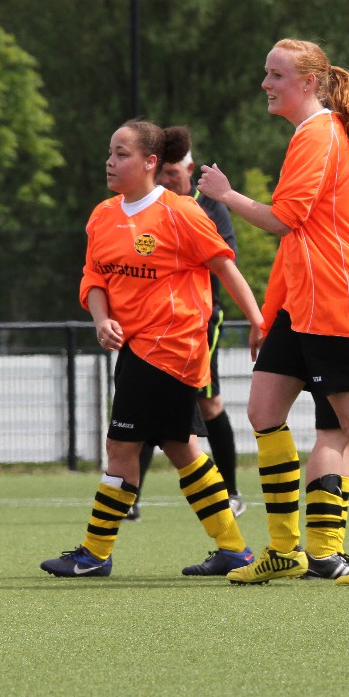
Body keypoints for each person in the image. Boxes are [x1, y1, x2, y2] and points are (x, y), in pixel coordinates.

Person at [197, 37, 349, 587]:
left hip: (335, 302)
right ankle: (285, 550)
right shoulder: (331, 133)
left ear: (309, 83)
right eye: (266, 73)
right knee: (263, 410)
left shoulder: (319, 134)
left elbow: (283, 220)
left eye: (276, 75)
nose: (265, 84)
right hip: (303, 305)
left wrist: (225, 194)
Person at [39, 119, 265, 579]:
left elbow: (225, 267)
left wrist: (259, 322)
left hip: (170, 347)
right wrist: (102, 320)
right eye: (110, 152)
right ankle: (234, 550)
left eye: (121, 154)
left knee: (120, 446)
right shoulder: (103, 215)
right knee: (182, 449)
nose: (110, 161)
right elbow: (94, 278)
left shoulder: (181, 212)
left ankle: (94, 554)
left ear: (149, 162)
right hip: (135, 347)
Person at [127, 126, 246, 521]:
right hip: (153, 325)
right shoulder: (146, 207)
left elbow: (223, 265)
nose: (167, 179)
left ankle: (231, 493)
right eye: (162, 172)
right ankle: (130, 499)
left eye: (173, 173)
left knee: (208, 404)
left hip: (199, 322)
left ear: (190, 170)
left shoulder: (208, 208)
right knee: (148, 405)